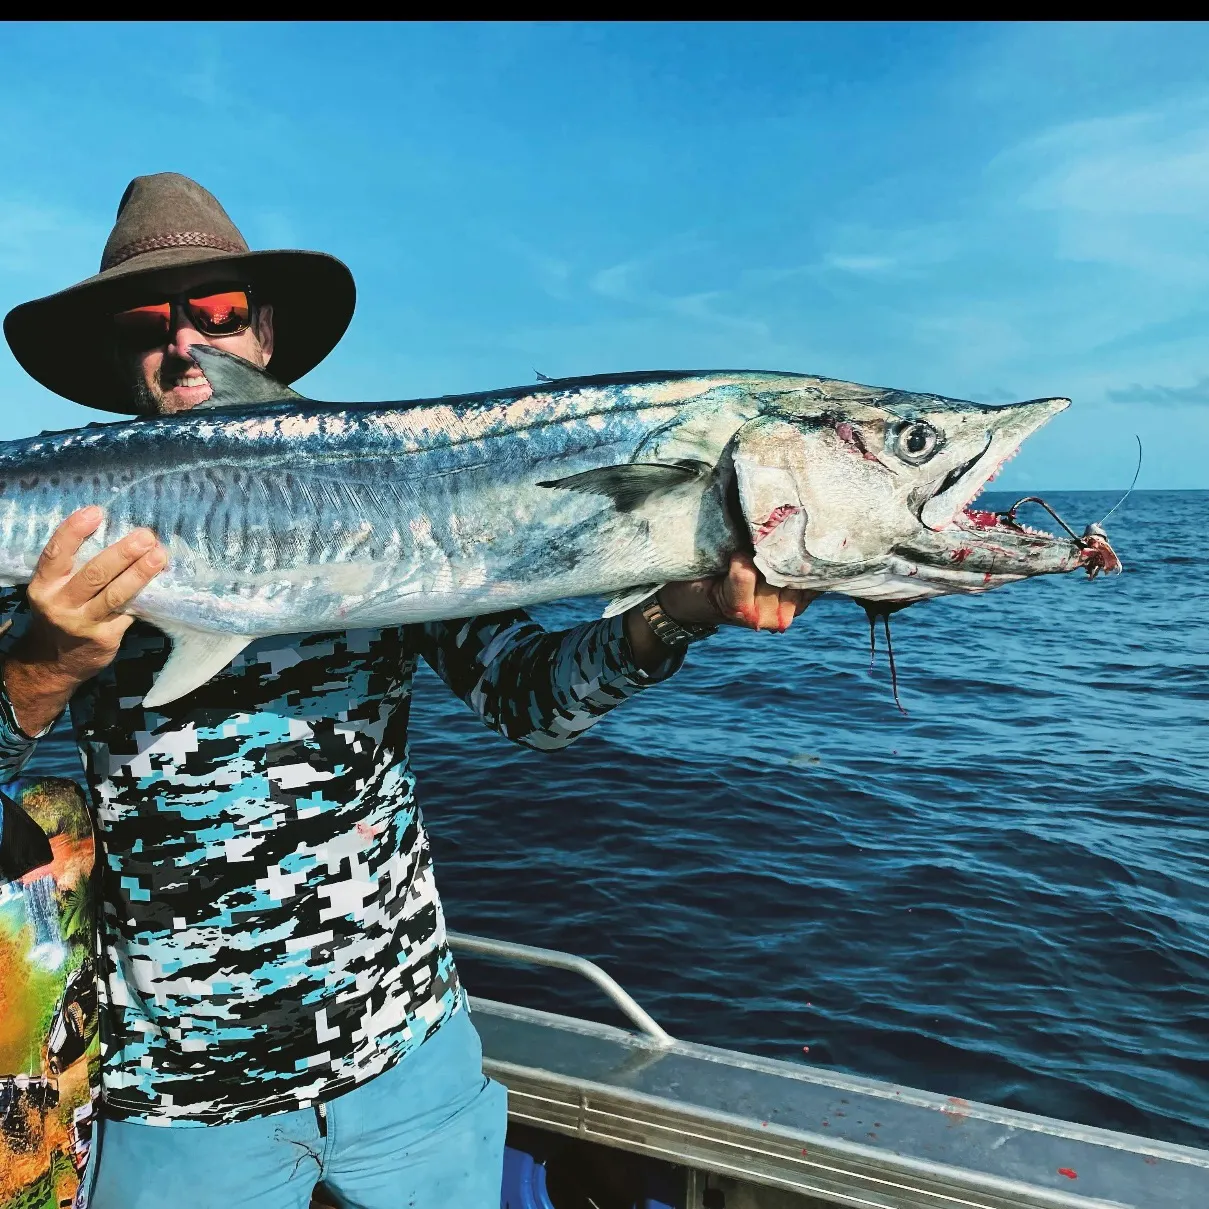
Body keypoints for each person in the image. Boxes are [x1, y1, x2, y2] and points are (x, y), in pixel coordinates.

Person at [0, 173, 814, 1209]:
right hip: (179, 1109)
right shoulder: (57, 538)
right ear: (119, 356)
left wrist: (680, 611)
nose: (187, 343)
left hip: (409, 1071)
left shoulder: (389, 488)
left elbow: (530, 701)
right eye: (145, 325)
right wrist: (38, 670)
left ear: (264, 332)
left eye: (219, 311)